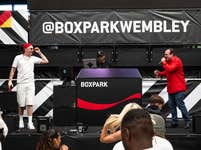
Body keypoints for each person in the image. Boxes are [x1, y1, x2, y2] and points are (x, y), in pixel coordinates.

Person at [8, 43, 49, 129]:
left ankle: (30, 122)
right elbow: (13, 70)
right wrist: (10, 80)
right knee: (21, 104)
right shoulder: (18, 58)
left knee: (30, 103)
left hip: (30, 84)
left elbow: (46, 61)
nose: (32, 50)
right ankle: (21, 120)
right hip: (21, 83)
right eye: (31, 48)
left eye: (32, 49)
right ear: (25, 49)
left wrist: (40, 52)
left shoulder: (33, 58)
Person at [154, 48, 190, 129]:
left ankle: (187, 121)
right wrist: (159, 73)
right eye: (164, 55)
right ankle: (174, 122)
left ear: (172, 54)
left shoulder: (177, 60)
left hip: (178, 87)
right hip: (171, 88)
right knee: (172, 105)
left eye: (166, 54)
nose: (165, 56)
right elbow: (167, 72)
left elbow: (170, 69)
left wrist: (163, 62)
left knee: (180, 105)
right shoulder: (168, 62)